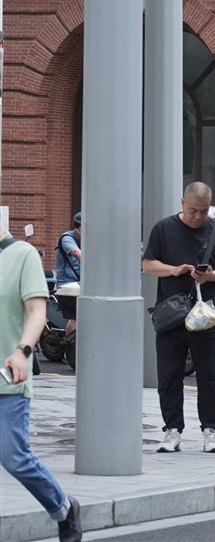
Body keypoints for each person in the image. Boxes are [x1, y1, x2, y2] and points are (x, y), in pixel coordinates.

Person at [142, 182, 215, 454]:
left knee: (211, 376)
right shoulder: (164, 228)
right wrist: (175, 270)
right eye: (194, 210)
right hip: (172, 315)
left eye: (204, 211)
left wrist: (209, 275)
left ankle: (211, 431)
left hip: (208, 314)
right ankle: (172, 430)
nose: (199, 216)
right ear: (182, 202)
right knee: (169, 375)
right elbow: (148, 264)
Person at [0, 229, 83, 542]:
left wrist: (23, 350)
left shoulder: (21, 255)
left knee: (13, 457)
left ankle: (63, 508)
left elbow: (37, 311)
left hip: (9, 378)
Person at [54, 212, 82, 287]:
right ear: (77, 228)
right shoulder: (66, 238)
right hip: (66, 283)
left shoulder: (85, 240)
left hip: (79, 282)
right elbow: (77, 253)